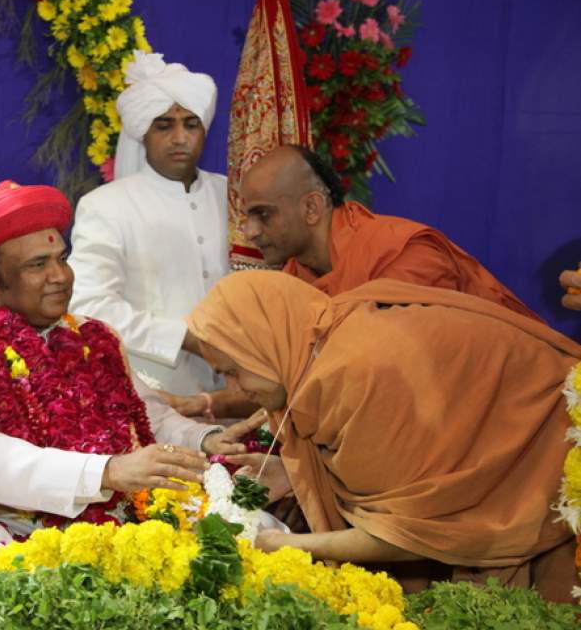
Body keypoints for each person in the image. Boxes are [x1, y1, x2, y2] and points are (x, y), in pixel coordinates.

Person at [0, 180, 247, 615]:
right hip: (0, 526)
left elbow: (146, 415)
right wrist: (105, 471)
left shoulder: (92, 335)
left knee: (244, 527)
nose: (59, 276)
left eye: (61, 259)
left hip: (119, 516)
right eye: (38, 264)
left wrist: (205, 440)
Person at [187, 270, 579, 602]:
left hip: (552, 469)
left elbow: (416, 531)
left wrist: (286, 546)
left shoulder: (356, 374)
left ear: (266, 342)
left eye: (234, 371)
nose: (234, 388)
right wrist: (293, 472)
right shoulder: (319, 345)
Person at [68, 51, 240, 407]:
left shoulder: (233, 195)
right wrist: (184, 339)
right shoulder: (106, 206)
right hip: (156, 393)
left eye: (191, 124)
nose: (180, 138)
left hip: (243, 391)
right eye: (164, 126)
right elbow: (89, 305)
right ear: (143, 133)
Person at [240, 144, 539, 319]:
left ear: (311, 208)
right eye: (247, 217)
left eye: (263, 214)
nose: (250, 232)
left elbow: (408, 359)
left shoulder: (401, 252)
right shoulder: (292, 282)